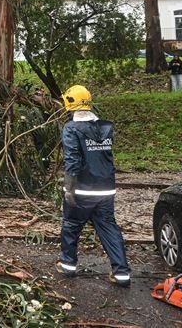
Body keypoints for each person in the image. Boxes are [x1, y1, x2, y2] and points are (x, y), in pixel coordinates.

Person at [56, 85, 131, 288]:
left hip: (82, 190)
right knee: (108, 228)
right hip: (106, 189)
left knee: (71, 225)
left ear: (70, 103)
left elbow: (72, 160)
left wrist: (69, 188)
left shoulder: (71, 129)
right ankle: (121, 273)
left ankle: (67, 265)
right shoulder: (105, 127)